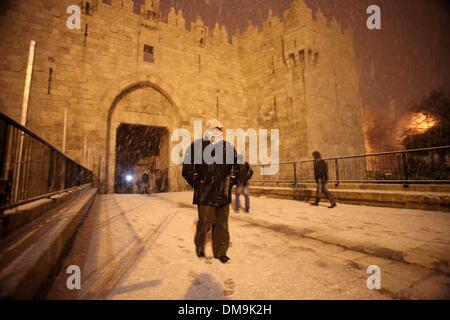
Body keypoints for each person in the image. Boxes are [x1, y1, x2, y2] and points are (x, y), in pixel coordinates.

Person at [182, 119, 239, 264]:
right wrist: (198, 184)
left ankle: (221, 252)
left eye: (219, 129)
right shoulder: (196, 146)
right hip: (205, 193)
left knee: (222, 224)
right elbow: (187, 170)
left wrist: (231, 181)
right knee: (205, 222)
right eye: (214, 128)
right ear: (207, 129)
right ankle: (200, 246)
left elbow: (238, 167)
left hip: (223, 193)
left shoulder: (227, 147)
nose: (217, 131)